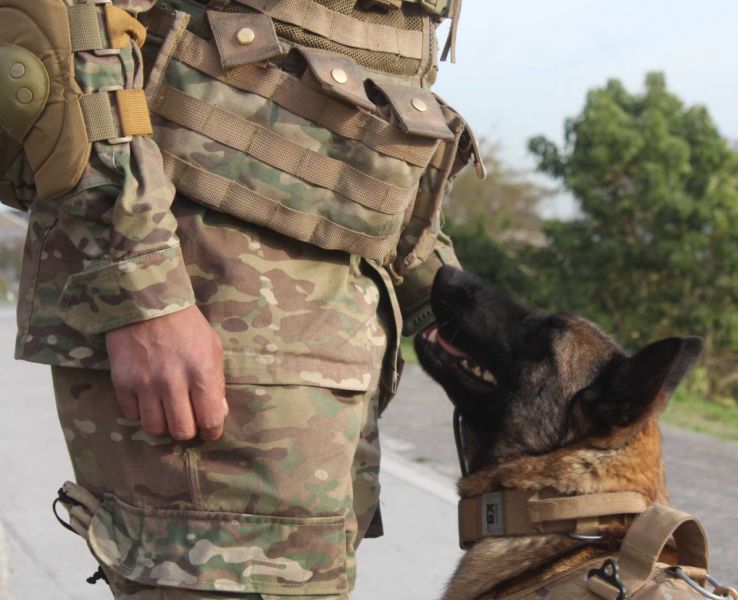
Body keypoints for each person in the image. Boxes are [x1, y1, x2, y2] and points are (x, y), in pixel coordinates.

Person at [0, 0, 480, 597]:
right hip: (207, 303)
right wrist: (141, 285)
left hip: (335, 326)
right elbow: (57, 27)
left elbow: (366, 81)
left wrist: (449, 301)